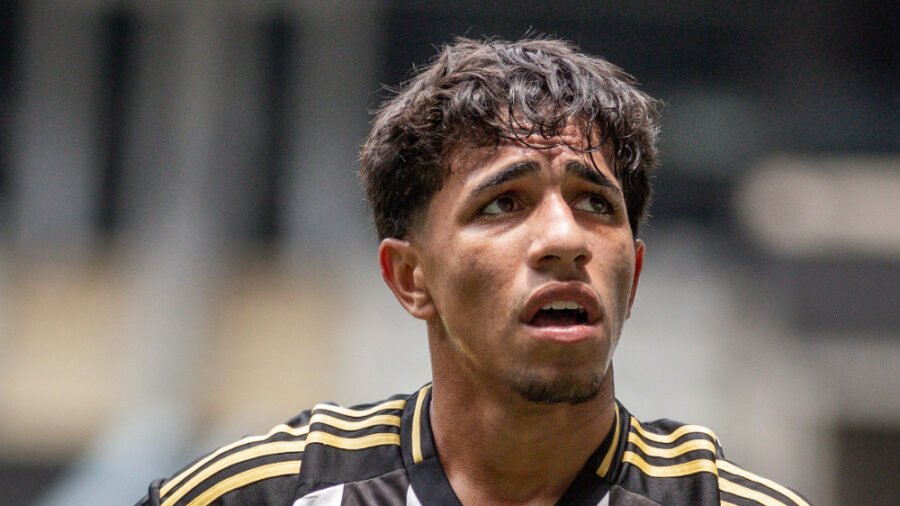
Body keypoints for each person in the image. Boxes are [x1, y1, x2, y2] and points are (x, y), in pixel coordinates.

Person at [138, 37, 809, 506]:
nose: (565, 239)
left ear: (632, 273)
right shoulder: (262, 495)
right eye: (503, 203)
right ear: (410, 278)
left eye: (595, 204)